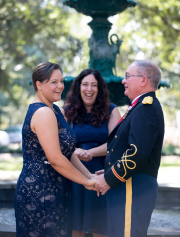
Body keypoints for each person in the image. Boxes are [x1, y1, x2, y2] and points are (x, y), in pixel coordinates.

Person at [14, 62, 98, 237]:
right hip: (40, 191)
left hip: (55, 188)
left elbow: (66, 152)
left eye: (61, 81)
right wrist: (85, 182)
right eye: (54, 82)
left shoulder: (56, 110)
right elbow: (55, 159)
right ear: (39, 84)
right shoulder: (43, 113)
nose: (60, 86)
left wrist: (88, 175)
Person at [95, 60, 165, 237]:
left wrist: (109, 179)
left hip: (132, 188)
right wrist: (108, 172)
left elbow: (137, 153)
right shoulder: (139, 107)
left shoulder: (146, 108)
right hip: (127, 185)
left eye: (127, 76)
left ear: (143, 80)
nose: (123, 81)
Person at [62, 68, 121, 237]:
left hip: (100, 175)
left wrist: (90, 153)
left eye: (94, 85)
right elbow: (60, 144)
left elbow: (114, 143)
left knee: (100, 227)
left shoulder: (111, 110)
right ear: (78, 87)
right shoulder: (66, 112)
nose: (89, 89)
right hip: (73, 174)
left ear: (99, 89)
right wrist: (76, 152)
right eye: (85, 84)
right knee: (75, 228)